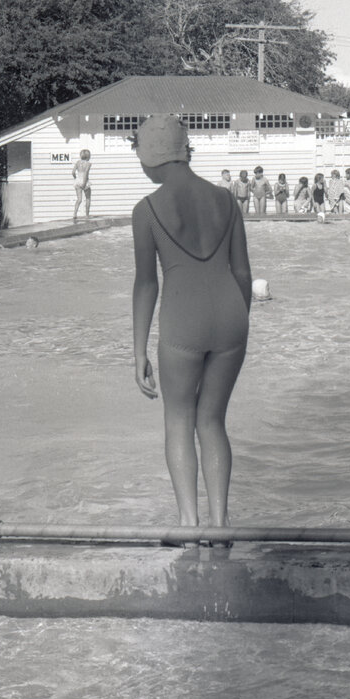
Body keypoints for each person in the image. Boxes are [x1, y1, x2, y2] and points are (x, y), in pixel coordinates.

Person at [131, 115, 251, 534]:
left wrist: (138, 351)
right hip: (232, 318)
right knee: (212, 421)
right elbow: (243, 276)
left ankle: (188, 525)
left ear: (152, 157)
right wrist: (238, 325)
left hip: (183, 320)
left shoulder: (146, 209)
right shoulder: (226, 200)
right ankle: (221, 525)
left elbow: (146, 284)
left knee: (179, 419)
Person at [71, 149, 92, 222]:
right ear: (88, 156)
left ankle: (74, 214)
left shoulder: (77, 162)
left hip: (78, 180)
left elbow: (73, 172)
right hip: (84, 180)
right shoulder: (88, 164)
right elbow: (86, 173)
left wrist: (75, 178)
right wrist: (84, 182)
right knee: (88, 198)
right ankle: (87, 215)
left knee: (79, 199)